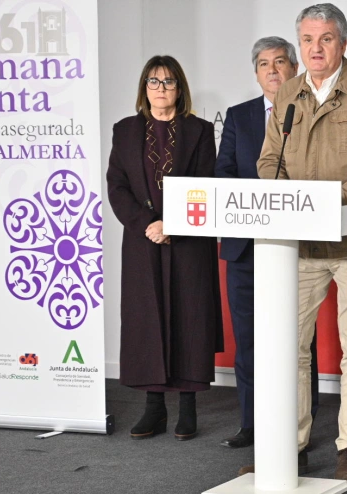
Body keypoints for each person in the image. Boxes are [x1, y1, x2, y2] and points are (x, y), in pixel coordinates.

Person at [255, 3, 347, 484]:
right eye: (307, 40)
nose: (315, 49)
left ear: (342, 42)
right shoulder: (289, 94)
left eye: (324, 40)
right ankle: (291, 445)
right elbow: (267, 161)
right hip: (298, 245)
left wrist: (331, 198)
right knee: (291, 348)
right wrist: (286, 196)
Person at [106, 55, 223, 442]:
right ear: (144, 89)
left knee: (190, 317)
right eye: (153, 82)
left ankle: (187, 409)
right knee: (147, 318)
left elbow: (206, 184)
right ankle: (153, 409)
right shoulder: (124, 131)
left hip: (189, 240)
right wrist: (148, 225)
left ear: (180, 89)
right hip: (144, 241)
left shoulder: (201, 130)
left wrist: (175, 223)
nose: (161, 89)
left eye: (169, 82)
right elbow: (117, 187)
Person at [215, 36, 322, 450]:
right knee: (249, 340)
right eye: (263, 64)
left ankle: (301, 425)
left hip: (297, 247)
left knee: (299, 341)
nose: (273, 71)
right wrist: (254, 205)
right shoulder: (240, 116)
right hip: (245, 247)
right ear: (256, 73)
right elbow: (223, 172)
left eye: (280, 62)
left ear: (295, 68)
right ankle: (251, 422)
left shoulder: (311, 108)